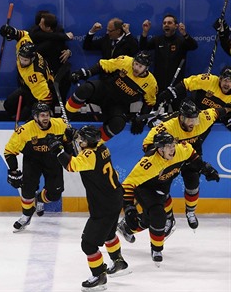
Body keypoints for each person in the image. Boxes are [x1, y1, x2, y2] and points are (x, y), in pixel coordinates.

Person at [44, 125, 129, 290]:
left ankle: (99, 275)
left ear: (86, 143)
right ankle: (118, 260)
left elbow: (71, 165)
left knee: (88, 245)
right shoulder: (102, 146)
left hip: (102, 205)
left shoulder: (89, 156)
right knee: (109, 234)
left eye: (81, 140)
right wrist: (74, 135)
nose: (79, 141)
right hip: (115, 198)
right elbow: (83, 151)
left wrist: (58, 149)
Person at [117, 132, 219, 265]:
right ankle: (157, 250)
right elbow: (128, 185)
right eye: (168, 146)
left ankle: (126, 228)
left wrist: (206, 169)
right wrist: (129, 208)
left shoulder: (181, 150)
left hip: (162, 191)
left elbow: (193, 158)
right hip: (145, 190)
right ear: (160, 149)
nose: (172, 149)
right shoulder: (148, 163)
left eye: (173, 145)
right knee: (158, 216)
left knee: (154, 221)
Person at [141, 100, 230, 233]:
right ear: (181, 117)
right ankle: (168, 218)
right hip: (172, 158)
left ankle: (190, 211)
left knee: (193, 184)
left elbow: (222, 110)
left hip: (192, 157)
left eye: (195, 120)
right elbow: (147, 144)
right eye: (189, 120)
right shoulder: (168, 125)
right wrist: (160, 156)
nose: (193, 124)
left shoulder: (204, 117)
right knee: (161, 190)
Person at [3, 102, 70, 232]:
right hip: (32, 161)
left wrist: (70, 142)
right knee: (27, 189)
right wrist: (13, 169)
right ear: (35, 117)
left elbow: (68, 142)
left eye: (47, 114)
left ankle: (39, 198)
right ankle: (26, 215)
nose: (46, 118)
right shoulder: (25, 130)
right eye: (42, 115)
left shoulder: (60, 124)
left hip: (53, 160)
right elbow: (9, 151)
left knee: (55, 194)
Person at [66, 51, 158, 141]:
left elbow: (149, 103)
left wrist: (141, 119)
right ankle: (65, 118)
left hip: (119, 104)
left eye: (140, 66)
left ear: (146, 68)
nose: (136, 68)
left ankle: (94, 143)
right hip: (105, 90)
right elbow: (103, 65)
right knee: (85, 89)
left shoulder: (151, 83)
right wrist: (85, 73)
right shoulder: (125, 61)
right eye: (136, 64)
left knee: (118, 124)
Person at [140, 14, 198, 110]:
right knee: (158, 113)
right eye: (164, 23)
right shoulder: (157, 40)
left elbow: (194, 46)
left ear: (176, 26)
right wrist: (145, 32)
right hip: (159, 84)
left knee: (178, 113)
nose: (166, 25)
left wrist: (184, 34)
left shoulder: (181, 40)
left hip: (177, 85)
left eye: (169, 23)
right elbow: (143, 47)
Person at [0, 26, 55, 121]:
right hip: (26, 87)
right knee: (8, 105)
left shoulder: (35, 75)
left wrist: (37, 114)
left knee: (24, 120)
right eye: (21, 58)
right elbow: (23, 35)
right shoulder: (25, 46)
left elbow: (47, 99)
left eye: (25, 60)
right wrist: (13, 32)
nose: (22, 62)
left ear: (32, 59)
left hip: (38, 92)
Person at [158, 65, 231, 131]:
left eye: (230, 81)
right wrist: (173, 92)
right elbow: (187, 83)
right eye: (225, 80)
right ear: (220, 79)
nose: (227, 84)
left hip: (208, 122)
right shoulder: (208, 80)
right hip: (191, 113)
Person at [29, 11, 74, 102]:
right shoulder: (35, 31)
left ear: (48, 27)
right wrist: (64, 36)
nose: (39, 25)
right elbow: (42, 47)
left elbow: (62, 46)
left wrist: (69, 51)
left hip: (57, 69)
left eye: (41, 24)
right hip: (42, 71)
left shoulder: (59, 31)